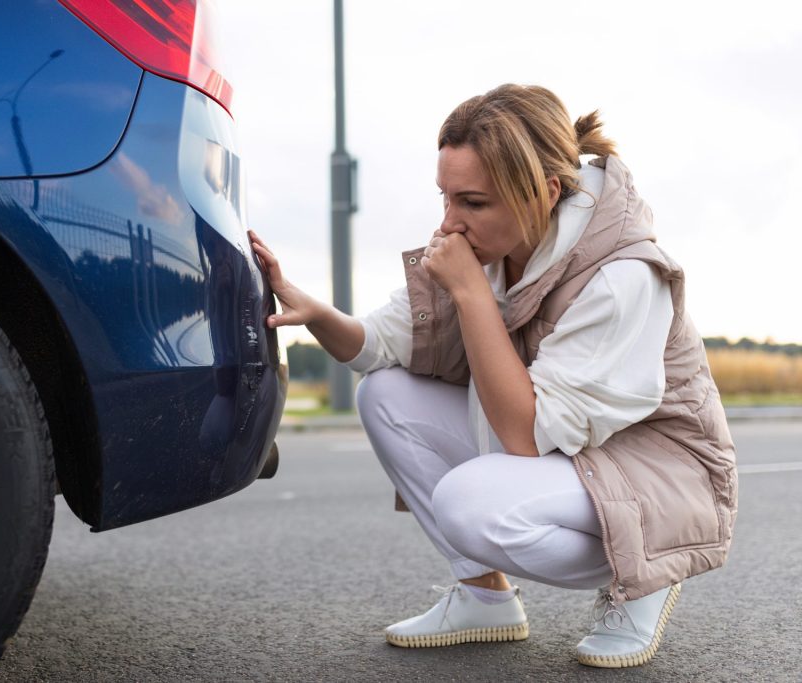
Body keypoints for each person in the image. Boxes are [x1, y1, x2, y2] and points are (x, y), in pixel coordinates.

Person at [248, 83, 737, 668]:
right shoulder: (490, 249)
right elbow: (379, 345)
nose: (449, 224)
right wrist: (315, 311)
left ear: (544, 193)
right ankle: (485, 598)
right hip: (573, 456)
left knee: (468, 504)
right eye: (445, 198)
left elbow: (523, 439)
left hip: (657, 479)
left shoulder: (622, 276)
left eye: (472, 203)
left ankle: (646, 574)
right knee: (384, 394)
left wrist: (472, 294)